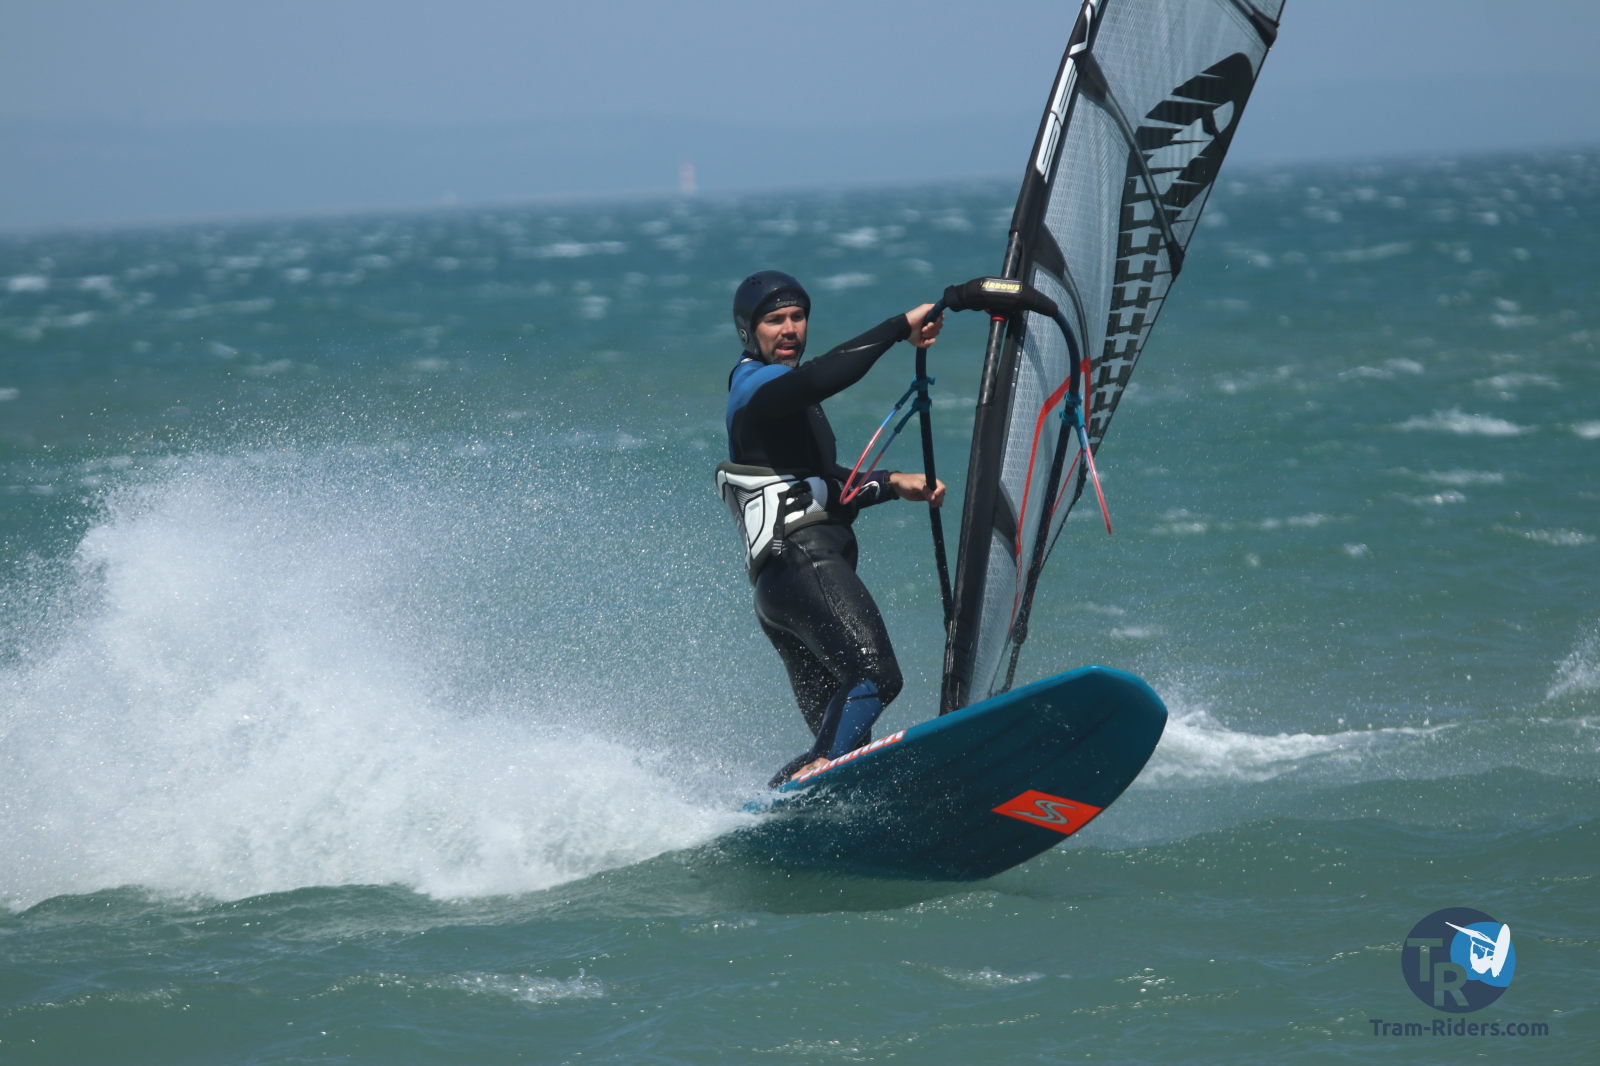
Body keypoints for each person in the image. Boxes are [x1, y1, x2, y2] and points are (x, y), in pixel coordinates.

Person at [715, 270, 945, 786]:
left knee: (843, 753)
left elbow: (814, 483)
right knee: (874, 675)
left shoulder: (781, 403)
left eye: (798, 317)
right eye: (774, 320)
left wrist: (891, 483)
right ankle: (807, 784)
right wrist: (898, 327)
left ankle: (775, 807)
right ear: (748, 331)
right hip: (805, 564)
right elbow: (819, 378)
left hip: (781, 588)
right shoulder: (756, 386)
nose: (789, 329)